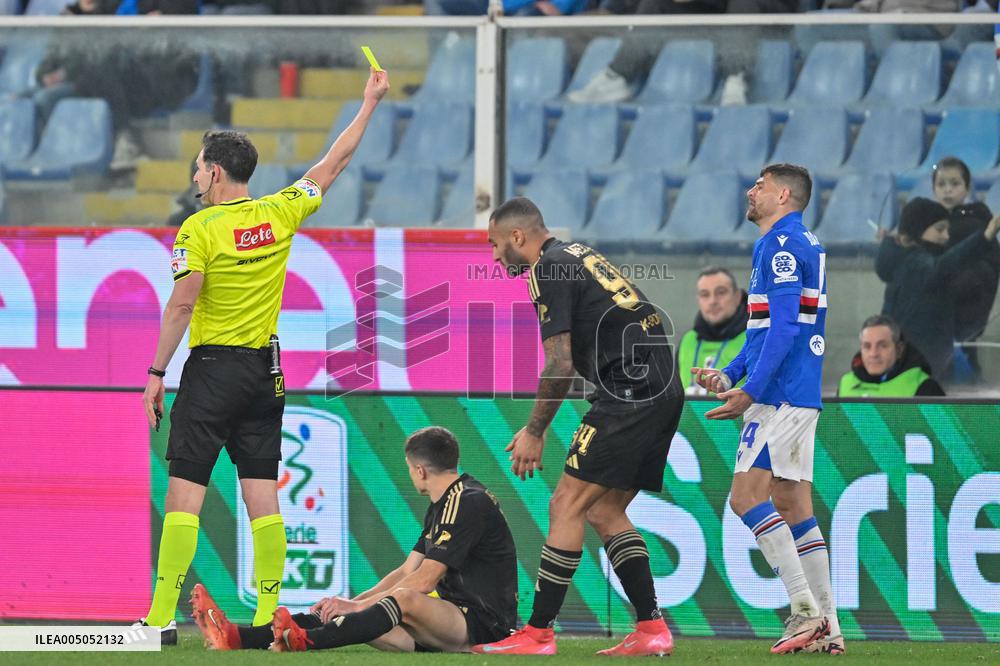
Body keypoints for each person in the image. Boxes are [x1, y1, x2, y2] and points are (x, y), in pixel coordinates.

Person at [136, 67, 390, 644]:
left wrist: (155, 374)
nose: (195, 174)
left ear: (215, 172)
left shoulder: (198, 229)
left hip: (212, 371)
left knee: (186, 493)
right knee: (261, 494)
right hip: (266, 374)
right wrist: (369, 102)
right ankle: (266, 618)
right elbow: (335, 162)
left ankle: (154, 622)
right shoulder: (281, 211)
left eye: (199, 166)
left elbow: (181, 306)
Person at [474, 197, 684, 656]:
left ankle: (539, 633)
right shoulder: (577, 254)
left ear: (517, 237)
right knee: (605, 510)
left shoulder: (546, 268)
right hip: (663, 386)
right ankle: (651, 630)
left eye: (494, 244)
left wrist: (534, 430)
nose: (492, 257)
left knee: (565, 503)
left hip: (630, 389)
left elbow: (560, 362)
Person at [189, 426, 518, 654]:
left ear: (419, 470)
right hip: (447, 622)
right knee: (344, 614)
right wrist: (350, 603)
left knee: (404, 600)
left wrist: (361, 605)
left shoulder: (466, 500)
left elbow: (425, 578)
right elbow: (407, 570)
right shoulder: (443, 503)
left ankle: (305, 642)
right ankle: (236, 637)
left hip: (480, 626)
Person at [691, 163, 841, 655]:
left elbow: (782, 331)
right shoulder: (805, 243)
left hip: (779, 394)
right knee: (794, 505)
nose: (750, 191)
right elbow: (765, 329)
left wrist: (751, 390)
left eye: (758, 185)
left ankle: (804, 613)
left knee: (745, 497)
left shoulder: (777, 245)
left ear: (781, 194)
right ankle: (831, 630)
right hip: (795, 389)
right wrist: (730, 375)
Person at [876, 197, 1000, 379]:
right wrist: (985, 236)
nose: (946, 236)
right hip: (919, 364)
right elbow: (943, 267)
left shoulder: (903, 260)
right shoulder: (914, 265)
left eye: (947, 230)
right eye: (939, 229)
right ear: (917, 231)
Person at [931, 156, 1000, 381]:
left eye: (954, 183)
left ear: (967, 188)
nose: (947, 190)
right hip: (935, 321)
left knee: (964, 378)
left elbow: (988, 271)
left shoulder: (977, 224)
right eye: (941, 184)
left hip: (965, 319)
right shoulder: (928, 224)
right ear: (933, 189)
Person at [677, 266, 748, 395]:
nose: (713, 301)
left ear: (737, 296)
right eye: (705, 295)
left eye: (721, 292)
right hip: (688, 416)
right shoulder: (688, 340)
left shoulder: (754, 338)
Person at [838, 314, 945, 397]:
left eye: (883, 346)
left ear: (899, 350)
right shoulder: (845, 384)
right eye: (867, 346)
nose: (873, 354)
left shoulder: (925, 386)